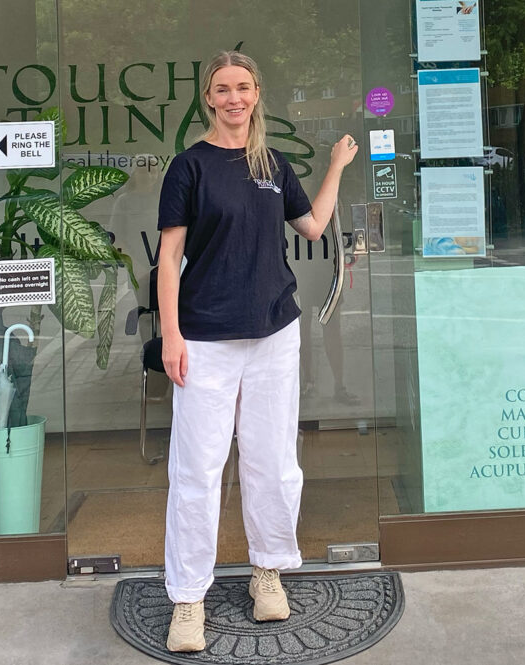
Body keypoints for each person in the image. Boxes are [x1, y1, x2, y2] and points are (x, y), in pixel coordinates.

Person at [157, 50, 357, 653]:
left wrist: (337, 166)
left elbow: (314, 227)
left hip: (274, 333)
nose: (234, 98)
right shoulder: (188, 168)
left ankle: (267, 572)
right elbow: (169, 258)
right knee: (197, 471)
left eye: (243, 87)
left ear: (256, 94)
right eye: (223, 89)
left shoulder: (273, 164)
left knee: (272, 461)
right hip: (206, 340)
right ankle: (188, 599)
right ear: (209, 99)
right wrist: (171, 334)